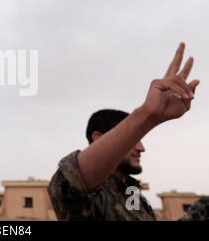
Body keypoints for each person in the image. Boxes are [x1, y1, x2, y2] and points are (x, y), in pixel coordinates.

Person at [48, 43, 200, 221]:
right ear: (98, 138)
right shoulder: (90, 195)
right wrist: (147, 115)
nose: (142, 149)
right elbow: (70, 181)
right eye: (134, 139)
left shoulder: (133, 194)